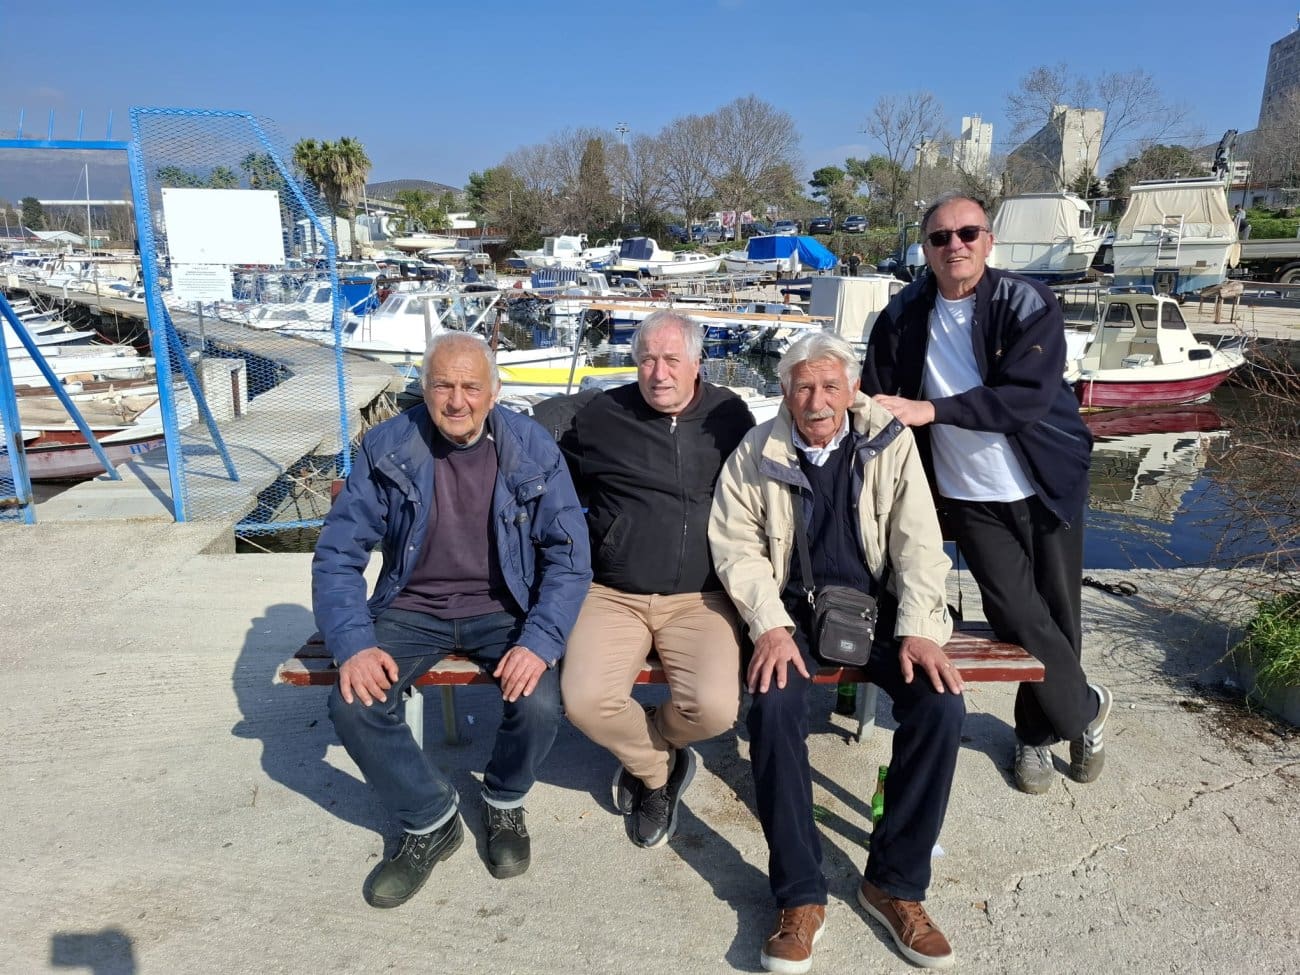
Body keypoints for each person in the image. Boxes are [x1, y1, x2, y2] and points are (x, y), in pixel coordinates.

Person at [312, 332, 591, 907]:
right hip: (412, 608)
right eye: (443, 385)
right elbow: (339, 554)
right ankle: (429, 819)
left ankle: (504, 800)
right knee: (353, 702)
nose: (456, 400)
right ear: (424, 388)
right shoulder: (388, 446)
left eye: (470, 386)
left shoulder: (531, 448)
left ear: (494, 392)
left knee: (540, 702)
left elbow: (568, 555)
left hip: (504, 607)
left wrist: (539, 639)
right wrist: (353, 643)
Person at [710, 331, 961, 972]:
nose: (817, 400)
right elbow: (737, 549)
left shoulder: (890, 443)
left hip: (878, 611)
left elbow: (918, 543)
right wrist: (768, 625)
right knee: (772, 708)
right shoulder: (756, 452)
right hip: (792, 612)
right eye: (803, 387)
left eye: (829, 386)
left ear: (852, 390)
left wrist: (920, 629)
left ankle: (894, 885)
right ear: (785, 392)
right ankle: (799, 896)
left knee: (940, 705)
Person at [860, 192, 1111, 798]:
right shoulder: (901, 316)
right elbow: (877, 398)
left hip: (1044, 482)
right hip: (966, 495)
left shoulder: (1027, 301)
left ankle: (1035, 734)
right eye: (940, 237)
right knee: (1017, 616)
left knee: (1059, 615)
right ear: (925, 249)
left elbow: (1025, 398)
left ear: (988, 241)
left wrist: (931, 410)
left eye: (968, 233)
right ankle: (1084, 711)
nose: (955, 245)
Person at [559, 310, 754, 849]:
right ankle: (656, 771)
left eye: (671, 359)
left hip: (700, 598)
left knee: (715, 710)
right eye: (647, 359)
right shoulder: (603, 415)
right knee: (584, 702)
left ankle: (652, 736)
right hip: (613, 594)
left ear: (696, 363)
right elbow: (550, 477)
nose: (659, 373)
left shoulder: (730, 417)